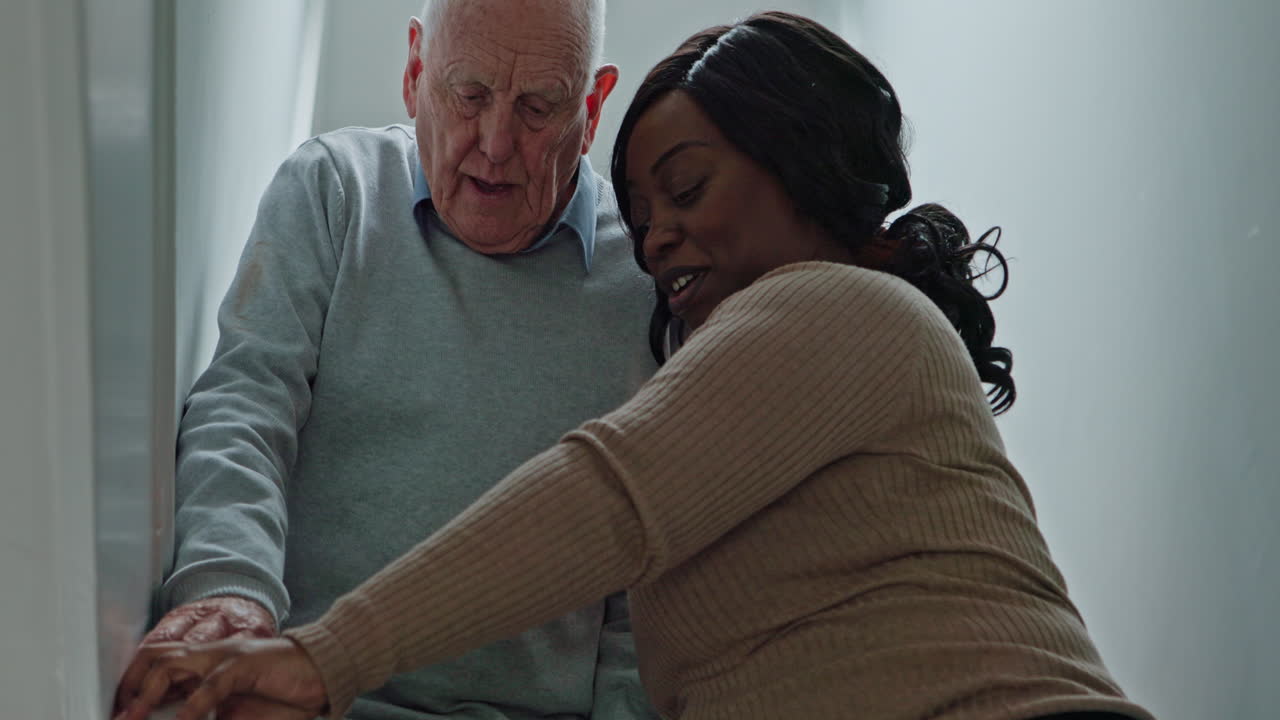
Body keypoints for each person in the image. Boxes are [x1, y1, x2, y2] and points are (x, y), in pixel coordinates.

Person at [117, 11, 1156, 720]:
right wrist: (237, 602)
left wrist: (318, 657)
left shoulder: (841, 306)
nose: (656, 242)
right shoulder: (338, 192)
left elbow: (610, 500)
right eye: (646, 215)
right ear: (414, 73)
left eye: (688, 189)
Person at [125, 0, 661, 718]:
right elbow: (245, 407)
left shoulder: (649, 285)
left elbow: (652, 561)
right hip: (294, 696)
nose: (496, 143)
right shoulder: (334, 190)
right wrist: (230, 588)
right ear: (414, 71)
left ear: (592, 107)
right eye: (468, 95)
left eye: (539, 107)